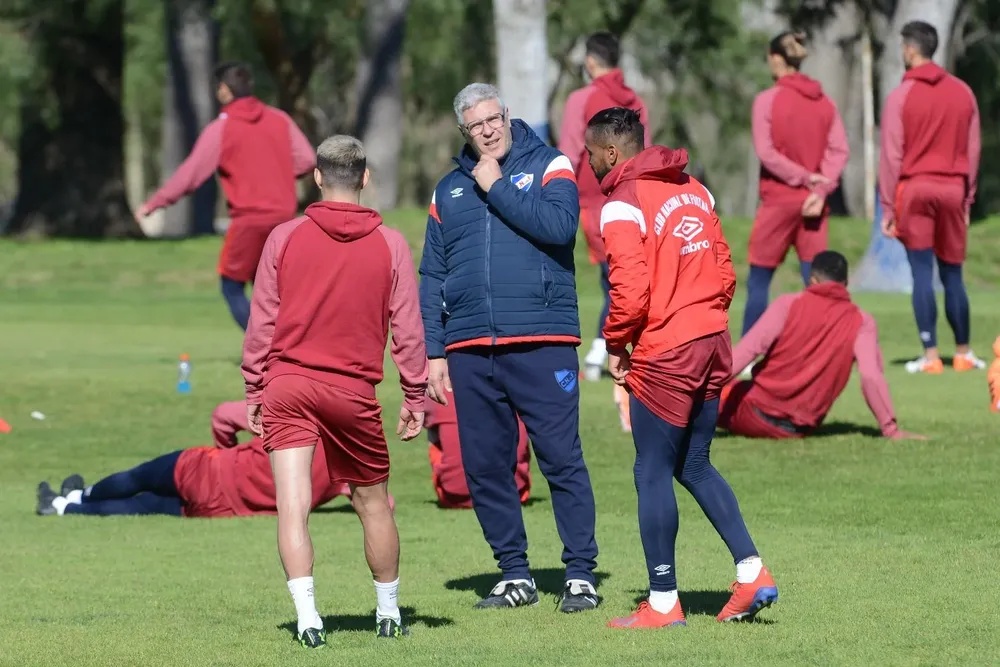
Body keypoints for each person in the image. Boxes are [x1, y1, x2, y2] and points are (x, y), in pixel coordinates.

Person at [585, 107, 777, 629]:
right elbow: (724, 266)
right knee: (693, 463)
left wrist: (617, 344)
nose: (589, 165)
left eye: (590, 154)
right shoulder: (695, 188)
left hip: (668, 349)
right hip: (714, 340)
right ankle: (752, 571)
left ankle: (665, 602)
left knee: (650, 469)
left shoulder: (622, 203)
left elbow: (629, 290)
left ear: (610, 152)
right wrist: (708, 315)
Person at [419, 82, 600, 613]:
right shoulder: (447, 191)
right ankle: (514, 573)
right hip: (470, 350)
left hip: (542, 343)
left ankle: (580, 574)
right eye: (475, 126)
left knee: (560, 460)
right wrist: (434, 351)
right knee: (484, 467)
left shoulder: (552, 165)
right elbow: (432, 275)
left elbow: (560, 227)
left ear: (507, 115)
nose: (487, 131)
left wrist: (497, 186)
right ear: (464, 132)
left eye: (493, 119)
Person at [242, 135, 427, 647]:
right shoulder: (390, 244)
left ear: (318, 178)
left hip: (287, 382)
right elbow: (407, 329)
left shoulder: (283, 237)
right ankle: (387, 612)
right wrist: (415, 395)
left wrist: (253, 387)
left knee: (293, 506)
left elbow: (262, 321)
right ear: (366, 178)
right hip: (352, 390)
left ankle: (308, 619)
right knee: (373, 504)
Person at [138, 62, 317, 331]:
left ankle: (268, 346)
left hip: (249, 221)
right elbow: (306, 161)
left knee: (231, 285)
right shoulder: (279, 119)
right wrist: (273, 170)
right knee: (270, 289)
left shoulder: (222, 128)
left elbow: (191, 175)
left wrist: (154, 204)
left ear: (224, 90)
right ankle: (293, 344)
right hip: (283, 220)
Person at [719, 251, 925, 440]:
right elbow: (871, 376)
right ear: (845, 282)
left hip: (754, 413)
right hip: (801, 428)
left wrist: (696, 389)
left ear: (812, 279)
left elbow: (745, 353)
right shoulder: (862, 322)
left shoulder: (788, 305)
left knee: (704, 399)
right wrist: (890, 428)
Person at [879, 21, 984, 374]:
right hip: (953, 188)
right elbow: (973, 150)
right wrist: (967, 199)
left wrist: (888, 207)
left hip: (915, 189)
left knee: (922, 274)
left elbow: (892, 155)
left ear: (910, 49)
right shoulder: (964, 92)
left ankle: (930, 355)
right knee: (953, 274)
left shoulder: (900, 96)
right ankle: (964, 353)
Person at [35, 400, 350, 518]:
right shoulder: (344, 477)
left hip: (203, 470)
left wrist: (227, 453)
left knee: (138, 478)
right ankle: (67, 505)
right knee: (146, 505)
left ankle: (81, 495)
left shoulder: (292, 423)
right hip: (222, 508)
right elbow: (381, 502)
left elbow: (223, 416)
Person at [558, 32, 651, 381]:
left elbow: (570, 151)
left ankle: (599, 353)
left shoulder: (581, 99)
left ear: (591, 62)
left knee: (610, 279)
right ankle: (609, 349)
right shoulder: (636, 100)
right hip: (632, 197)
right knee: (622, 275)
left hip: (593, 200)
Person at [744, 32, 849, 338]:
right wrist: (819, 189)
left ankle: (751, 351)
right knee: (815, 282)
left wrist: (804, 178)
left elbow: (766, 153)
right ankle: (818, 348)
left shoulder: (767, 100)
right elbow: (839, 151)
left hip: (778, 200)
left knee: (759, 280)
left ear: (777, 57)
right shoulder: (825, 103)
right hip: (814, 205)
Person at [425, 397, 532, 509]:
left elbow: (425, 418)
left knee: (435, 428)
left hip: (453, 495)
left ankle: (452, 474)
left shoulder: (439, 390)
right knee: (518, 427)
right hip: (514, 493)